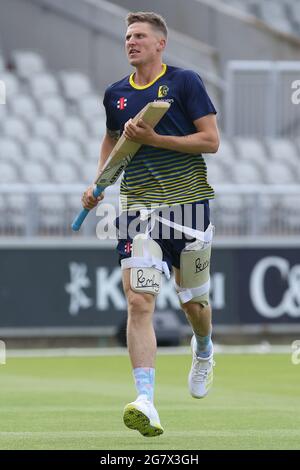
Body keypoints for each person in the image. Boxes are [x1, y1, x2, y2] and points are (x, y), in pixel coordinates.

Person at [81, 11, 220, 437]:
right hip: (138, 211)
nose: (131, 42)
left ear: (161, 44)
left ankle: (204, 349)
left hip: (190, 209)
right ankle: (145, 399)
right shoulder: (116, 93)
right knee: (140, 301)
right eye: (127, 36)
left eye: (140, 36)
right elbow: (112, 137)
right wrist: (98, 181)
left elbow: (210, 141)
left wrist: (156, 140)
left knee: (193, 304)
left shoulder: (185, 82)